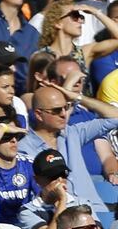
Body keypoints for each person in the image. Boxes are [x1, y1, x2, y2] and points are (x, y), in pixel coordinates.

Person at [19, 84, 118, 215]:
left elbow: (115, 117)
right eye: (56, 110)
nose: (63, 114)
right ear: (38, 114)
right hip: (61, 218)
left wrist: (77, 97)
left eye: (65, 108)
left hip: (96, 211)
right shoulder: (23, 148)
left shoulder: (73, 133)